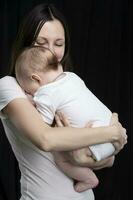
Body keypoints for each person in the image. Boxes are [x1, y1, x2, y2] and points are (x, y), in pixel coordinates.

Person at [0, 3, 127, 200]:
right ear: (26, 44)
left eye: (59, 44)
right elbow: (46, 139)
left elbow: (108, 160)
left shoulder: (68, 85)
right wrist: (111, 132)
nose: (52, 52)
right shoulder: (9, 86)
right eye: (41, 44)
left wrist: (84, 154)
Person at [15, 45, 116, 193]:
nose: (28, 92)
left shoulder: (45, 94)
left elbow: (43, 125)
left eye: (27, 89)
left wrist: (31, 100)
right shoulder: (71, 77)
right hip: (110, 127)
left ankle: (88, 179)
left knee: (60, 158)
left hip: (96, 141)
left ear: (36, 79)